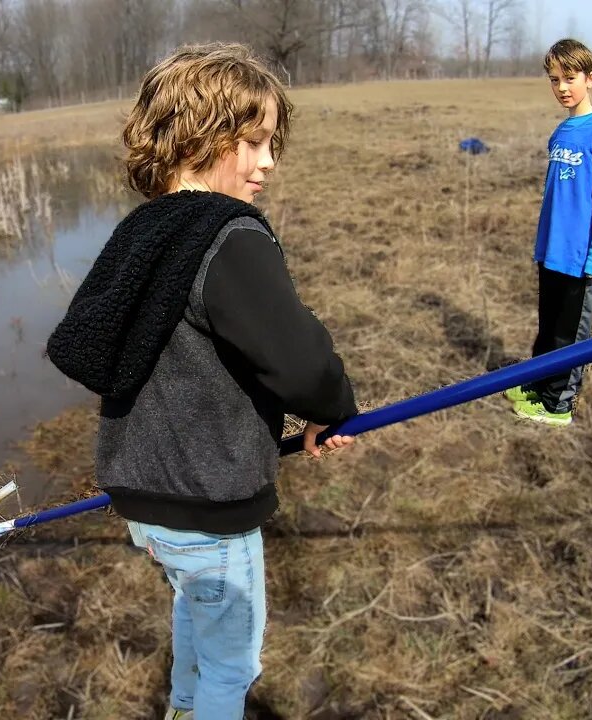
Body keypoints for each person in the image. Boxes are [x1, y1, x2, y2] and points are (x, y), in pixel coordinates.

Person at [45, 43, 359, 720]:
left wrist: (292, 416)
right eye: (253, 142)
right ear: (201, 136)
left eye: (272, 142)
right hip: (207, 510)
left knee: (195, 611)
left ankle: (182, 707)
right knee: (234, 664)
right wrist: (333, 407)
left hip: (146, 503)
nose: (269, 162)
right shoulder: (228, 236)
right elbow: (301, 362)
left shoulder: (142, 230)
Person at [506, 38, 592, 427]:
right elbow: (557, 199)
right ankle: (538, 385)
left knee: (568, 335)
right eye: (554, 79)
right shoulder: (560, 132)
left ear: (591, 79)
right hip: (552, 251)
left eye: (570, 78)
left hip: (580, 257)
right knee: (547, 326)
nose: (561, 87)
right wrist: (542, 244)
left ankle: (558, 404)